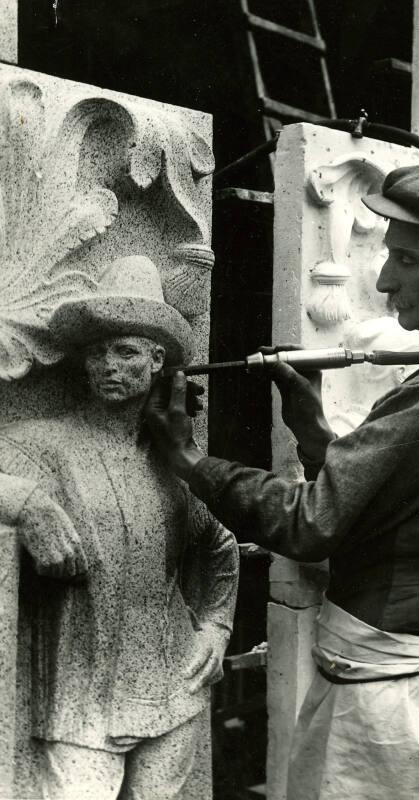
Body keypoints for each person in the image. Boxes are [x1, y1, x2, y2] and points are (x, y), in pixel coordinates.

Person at [146, 166, 419, 800]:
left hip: (390, 696)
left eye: (409, 261)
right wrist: (316, 439)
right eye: (390, 257)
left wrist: (189, 461)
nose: (386, 282)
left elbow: (310, 526)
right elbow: (403, 511)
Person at [0, 255, 239, 800]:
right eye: (97, 353)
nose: (108, 365)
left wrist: (215, 628)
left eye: (125, 352)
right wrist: (27, 502)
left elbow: (219, 548)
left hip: (173, 681)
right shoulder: (42, 444)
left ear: (156, 361)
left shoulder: (173, 461)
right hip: (79, 693)